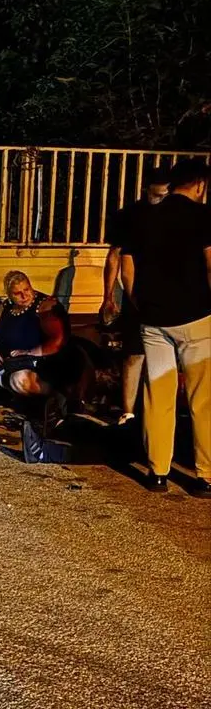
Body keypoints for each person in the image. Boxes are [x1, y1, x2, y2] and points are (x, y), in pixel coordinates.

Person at [121, 158, 211, 495]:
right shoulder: (204, 217)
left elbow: (127, 269)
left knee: (158, 396)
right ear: (200, 184)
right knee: (203, 399)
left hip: (153, 321)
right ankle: (205, 476)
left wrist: (140, 304)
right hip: (197, 319)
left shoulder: (143, 217)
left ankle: (157, 472)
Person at [102, 166, 169, 424]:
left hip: (167, 293)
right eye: (158, 193)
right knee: (134, 353)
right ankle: (128, 412)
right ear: (146, 188)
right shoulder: (129, 216)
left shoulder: (174, 215)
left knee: (163, 356)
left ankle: (157, 411)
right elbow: (116, 258)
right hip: (139, 295)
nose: (162, 197)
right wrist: (109, 297)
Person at [0, 271, 73, 398]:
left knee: (19, 379)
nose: (24, 296)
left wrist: (28, 352)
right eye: (17, 293)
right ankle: (15, 397)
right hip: (9, 361)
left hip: (37, 363)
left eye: (27, 289)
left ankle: (50, 399)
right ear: (9, 295)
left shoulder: (45, 305)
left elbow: (58, 341)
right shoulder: (6, 306)